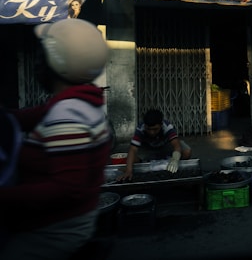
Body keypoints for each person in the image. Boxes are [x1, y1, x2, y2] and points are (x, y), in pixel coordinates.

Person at [0, 19, 112, 260]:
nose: (37, 63)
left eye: (41, 57)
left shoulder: (68, 115)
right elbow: (29, 116)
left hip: (53, 231)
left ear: (53, 64)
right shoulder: (81, 103)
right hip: (70, 220)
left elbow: (66, 189)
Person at [119, 109, 192, 180]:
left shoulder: (167, 127)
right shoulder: (140, 128)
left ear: (161, 125)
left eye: (155, 129)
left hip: (165, 147)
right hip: (148, 149)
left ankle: (172, 164)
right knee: (131, 158)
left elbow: (176, 145)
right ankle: (146, 163)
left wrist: (175, 160)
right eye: (149, 129)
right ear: (145, 126)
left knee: (186, 151)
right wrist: (129, 171)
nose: (152, 132)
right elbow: (133, 149)